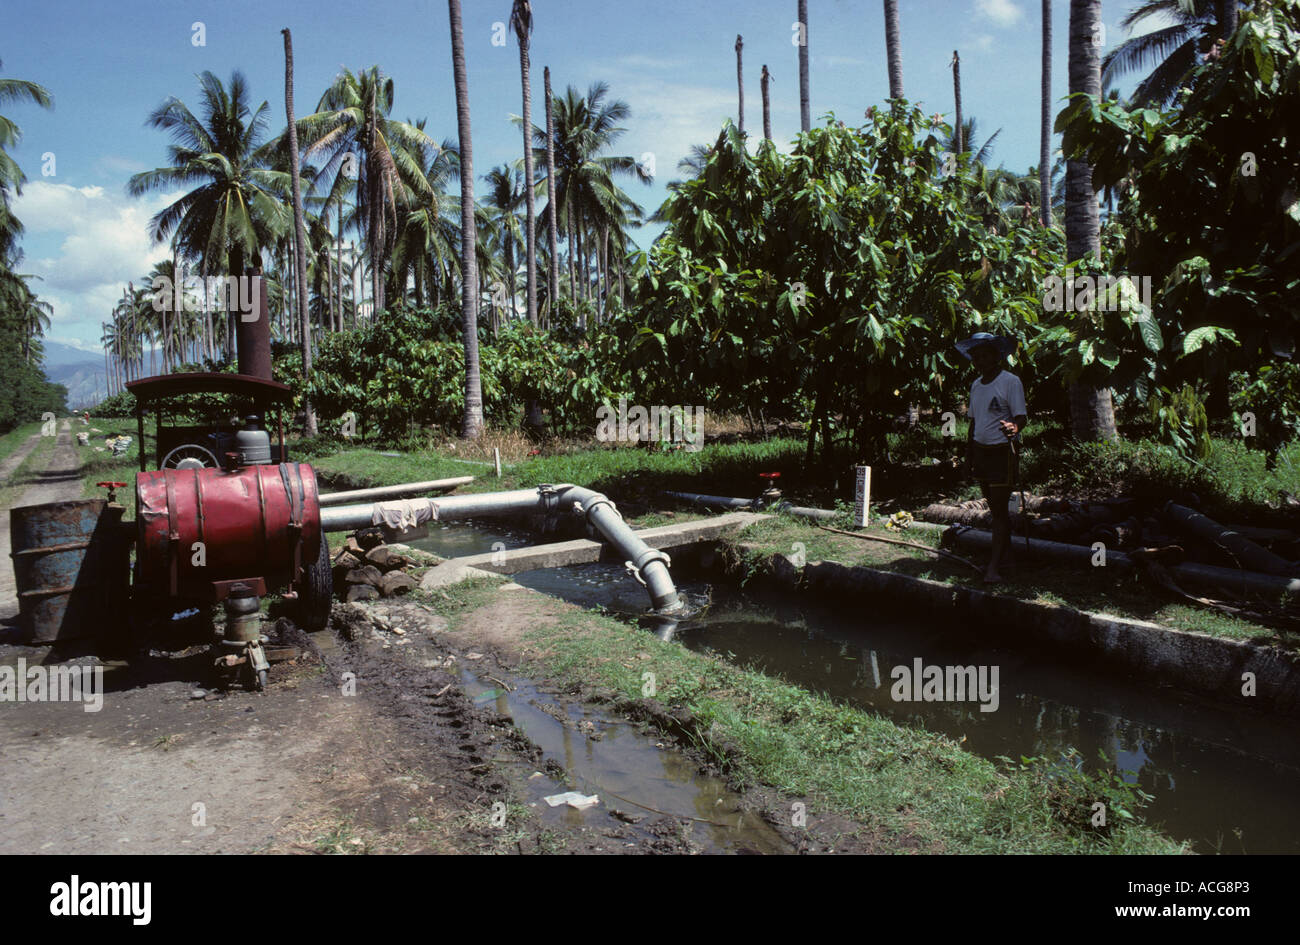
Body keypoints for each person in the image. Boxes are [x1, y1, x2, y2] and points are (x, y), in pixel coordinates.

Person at [957, 332, 1027, 584]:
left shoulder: (1010, 381)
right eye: (976, 356)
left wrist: (1014, 428)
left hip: (1002, 452)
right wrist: (968, 459)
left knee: (998, 511)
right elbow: (974, 423)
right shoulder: (976, 385)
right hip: (981, 452)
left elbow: (1021, 417)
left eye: (986, 354)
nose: (981, 360)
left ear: (997, 356)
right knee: (995, 508)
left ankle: (993, 567)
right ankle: (1007, 559)